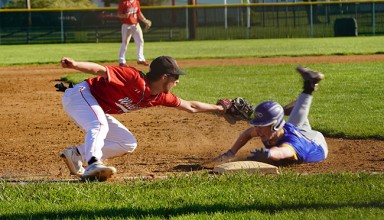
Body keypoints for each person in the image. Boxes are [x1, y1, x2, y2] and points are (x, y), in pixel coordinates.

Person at [59, 56, 226, 181]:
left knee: (127, 142)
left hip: (93, 104)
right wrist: (75, 65)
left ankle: (76, 154)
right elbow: (99, 70)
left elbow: (191, 106)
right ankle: (94, 163)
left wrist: (220, 108)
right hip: (80, 95)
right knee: (100, 125)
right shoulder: (133, 77)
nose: (178, 82)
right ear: (164, 77)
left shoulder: (158, 96)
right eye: (175, 78)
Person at [213, 66, 328, 166]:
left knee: (294, 125)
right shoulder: (266, 130)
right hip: (300, 133)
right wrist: (231, 153)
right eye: (258, 126)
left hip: (316, 143)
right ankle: (298, 101)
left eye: (262, 126)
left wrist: (269, 153)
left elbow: (282, 152)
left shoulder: (292, 144)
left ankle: (307, 89)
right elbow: (248, 133)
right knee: (294, 125)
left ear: (275, 125)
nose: (258, 130)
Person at [117, 0, 151, 67]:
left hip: (135, 25)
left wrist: (144, 20)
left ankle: (140, 59)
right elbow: (119, 14)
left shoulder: (136, 1)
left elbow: (138, 12)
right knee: (125, 42)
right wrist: (124, 16)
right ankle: (121, 61)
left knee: (140, 41)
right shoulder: (123, 2)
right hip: (126, 25)